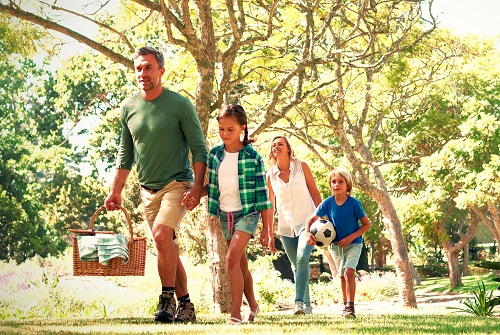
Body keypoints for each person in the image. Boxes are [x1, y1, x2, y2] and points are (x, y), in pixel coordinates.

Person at [103, 46, 208, 323]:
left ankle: (166, 300)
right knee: (167, 246)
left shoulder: (180, 105)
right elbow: (125, 155)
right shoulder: (128, 108)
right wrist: (116, 192)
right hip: (147, 189)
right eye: (138, 68)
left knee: (162, 235)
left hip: (178, 183)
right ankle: (187, 306)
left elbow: (199, 149)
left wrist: (196, 188)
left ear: (161, 71)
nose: (143, 72)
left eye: (148, 67)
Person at [202, 104, 273, 324]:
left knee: (231, 259)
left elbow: (263, 197)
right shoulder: (215, 155)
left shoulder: (253, 158)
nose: (225, 134)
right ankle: (253, 306)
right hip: (225, 214)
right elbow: (212, 186)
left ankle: (235, 315)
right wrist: (194, 194)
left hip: (248, 214)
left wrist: (268, 230)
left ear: (242, 128)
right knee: (241, 264)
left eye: (230, 130)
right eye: (221, 129)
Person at [266, 136, 322, 314]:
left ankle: (298, 302)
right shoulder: (271, 175)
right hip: (285, 226)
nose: (277, 147)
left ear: (289, 148)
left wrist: (323, 217)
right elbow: (270, 204)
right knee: (297, 266)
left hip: (307, 222)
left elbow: (314, 191)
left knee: (302, 259)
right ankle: (307, 307)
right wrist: (269, 231)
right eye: (274, 145)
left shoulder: (301, 166)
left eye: (280, 144)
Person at [305, 167, 370, 319]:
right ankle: (345, 306)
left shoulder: (354, 204)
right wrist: (308, 232)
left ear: (348, 185)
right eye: (333, 181)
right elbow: (310, 220)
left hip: (354, 244)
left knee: (349, 272)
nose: (336, 184)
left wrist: (350, 238)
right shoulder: (327, 203)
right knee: (341, 276)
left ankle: (351, 307)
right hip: (335, 246)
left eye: (341, 182)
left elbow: (367, 225)